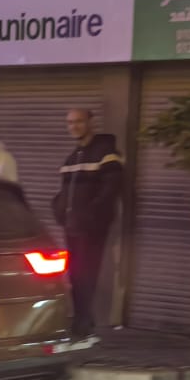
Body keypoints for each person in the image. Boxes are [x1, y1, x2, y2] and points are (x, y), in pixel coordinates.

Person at [52, 108, 124, 338]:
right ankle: (82, 319)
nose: (74, 126)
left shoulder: (106, 154)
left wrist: (91, 215)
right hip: (71, 226)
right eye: (70, 122)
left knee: (87, 274)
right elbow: (64, 192)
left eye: (79, 121)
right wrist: (59, 209)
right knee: (75, 274)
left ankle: (83, 323)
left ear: (91, 123)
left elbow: (111, 190)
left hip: (92, 228)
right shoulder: (73, 157)